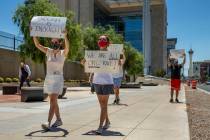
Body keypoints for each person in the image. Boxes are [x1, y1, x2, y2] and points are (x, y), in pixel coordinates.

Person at [33, 30, 69, 130]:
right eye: (52, 42)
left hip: (58, 79)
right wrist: (34, 34)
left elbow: (67, 48)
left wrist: (65, 37)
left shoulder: (63, 53)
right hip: (49, 79)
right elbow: (37, 45)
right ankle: (59, 120)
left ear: (60, 43)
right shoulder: (48, 51)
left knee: (53, 100)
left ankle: (47, 122)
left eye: (56, 42)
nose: (54, 44)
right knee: (53, 102)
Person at [81, 35, 113, 135]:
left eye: (103, 39)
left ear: (108, 43)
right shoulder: (94, 54)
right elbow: (90, 66)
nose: (101, 40)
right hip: (97, 81)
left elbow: (117, 65)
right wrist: (84, 63)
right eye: (99, 39)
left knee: (104, 105)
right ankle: (107, 121)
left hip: (107, 82)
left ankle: (100, 127)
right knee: (102, 105)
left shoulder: (111, 54)